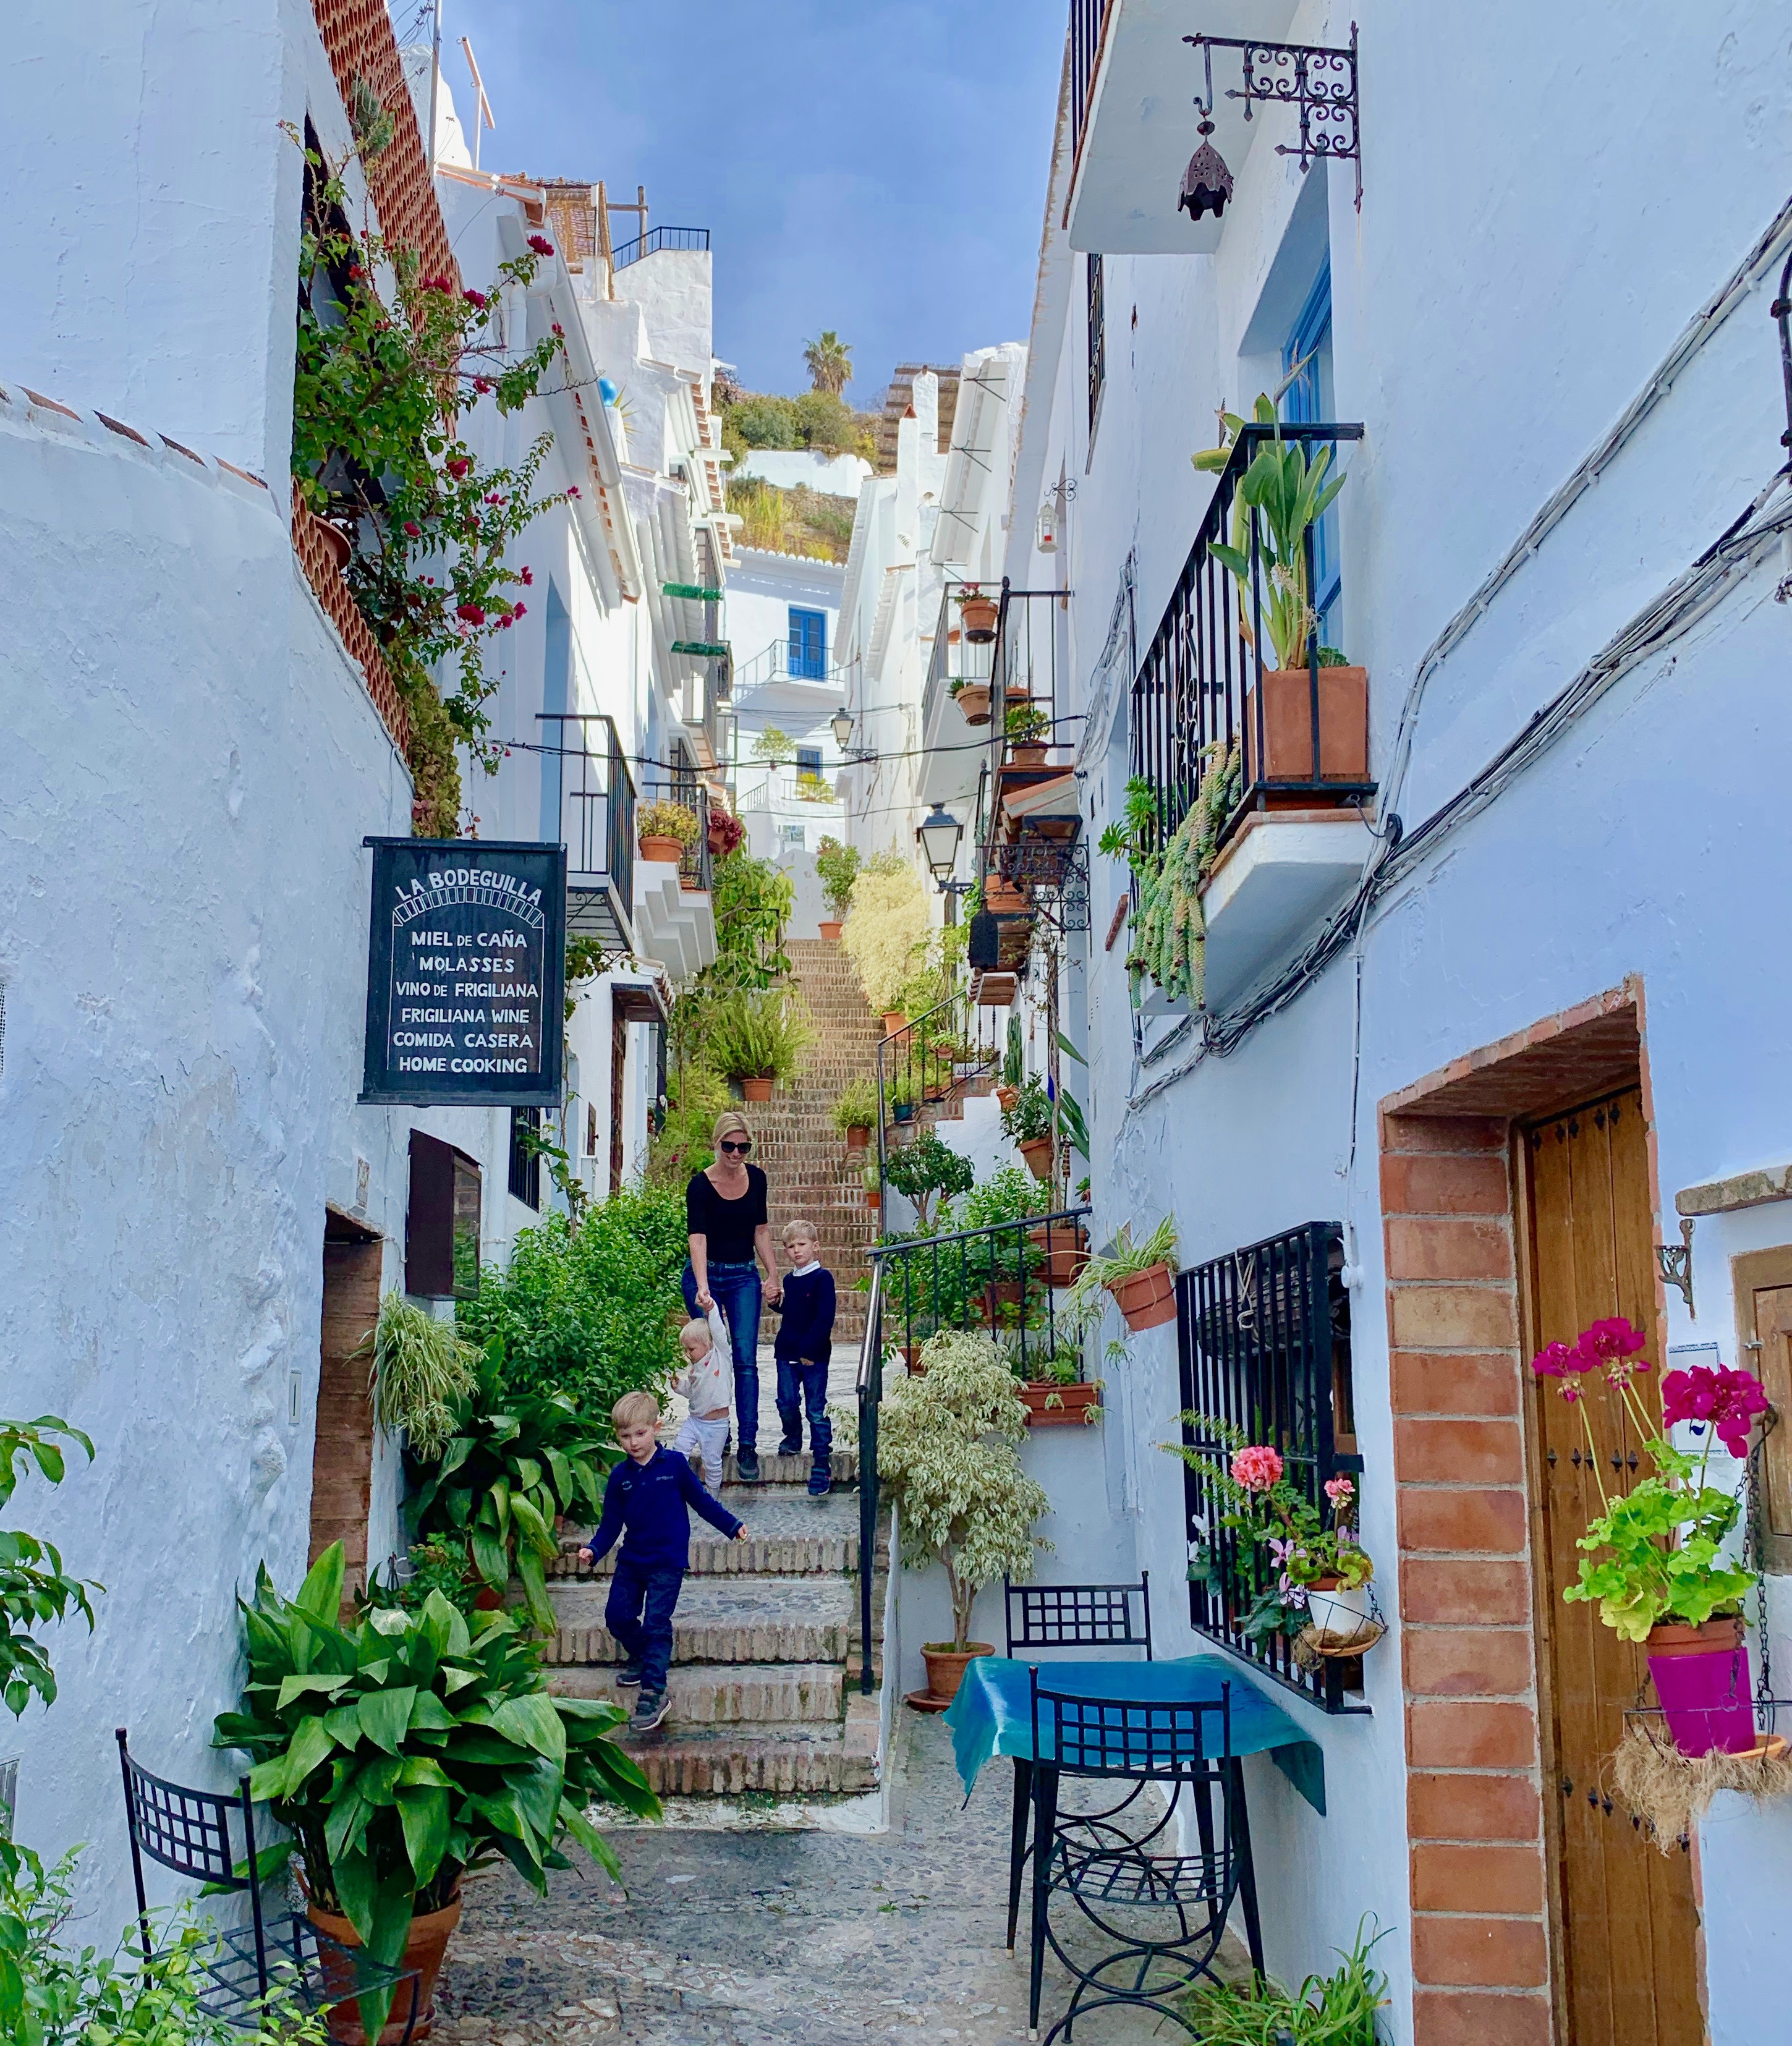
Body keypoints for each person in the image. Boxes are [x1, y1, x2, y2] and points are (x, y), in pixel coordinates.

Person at [578, 1390, 747, 1734]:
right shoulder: (619, 1477)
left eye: (640, 1434)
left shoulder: (674, 1466)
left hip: (667, 1562)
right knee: (618, 1616)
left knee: (657, 1623)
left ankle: (654, 1692)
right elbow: (611, 1524)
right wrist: (594, 1550)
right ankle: (641, 1657)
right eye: (625, 1437)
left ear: (657, 1427)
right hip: (632, 1560)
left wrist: (732, 1525)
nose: (633, 1443)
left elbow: (702, 1503)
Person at [684, 1110, 781, 1482]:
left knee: (744, 1360)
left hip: (743, 1275)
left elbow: (761, 1230)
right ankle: (716, 1431)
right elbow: (698, 1238)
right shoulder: (699, 1185)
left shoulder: (757, 1179)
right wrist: (702, 1284)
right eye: (730, 1146)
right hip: (707, 1274)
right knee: (710, 1358)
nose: (737, 1153)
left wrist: (772, 1272)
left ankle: (748, 1445)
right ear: (717, 1144)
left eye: (744, 1147)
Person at [773, 1218, 837, 1497]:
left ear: (815, 1246)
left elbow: (825, 1318)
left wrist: (810, 1351)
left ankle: (822, 1462)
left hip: (814, 1356)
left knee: (816, 1409)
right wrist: (776, 1304)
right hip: (786, 1351)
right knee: (786, 1400)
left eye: (801, 1244)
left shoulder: (823, 1279)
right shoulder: (789, 1280)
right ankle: (793, 1435)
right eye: (790, 1246)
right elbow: (792, 1312)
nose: (796, 1251)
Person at [670, 1304, 732, 1494]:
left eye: (691, 1349)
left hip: (716, 1426)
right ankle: (675, 1485)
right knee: (678, 1450)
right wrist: (680, 1387)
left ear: (709, 1345)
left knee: (712, 1462)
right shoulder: (696, 1368)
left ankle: (713, 1496)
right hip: (695, 1421)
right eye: (685, 1350)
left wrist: (712, 1309)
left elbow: (718, 1331)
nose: (688, 1354)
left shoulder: (720, 1356)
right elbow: (694, 1392)